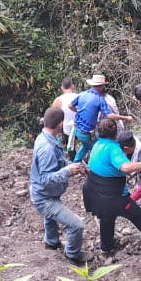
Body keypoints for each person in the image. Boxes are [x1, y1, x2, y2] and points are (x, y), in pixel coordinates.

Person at [82, 118, 141, 255]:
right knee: (135, 213)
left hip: (93, 192)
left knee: (106, 218)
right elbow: (126, 167)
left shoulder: (97, 145)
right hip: (113, 196)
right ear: (116, 133)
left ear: (98, 133)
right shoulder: (113, 149)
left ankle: (106, 247)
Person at [30, 106, 93, 264]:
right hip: (44, 198)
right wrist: (67, 171)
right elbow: (45, 178)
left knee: (51, 217)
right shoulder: (46, 148)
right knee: (77, 225)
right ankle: (73, 254)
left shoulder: (48, 137)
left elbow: (59, 161)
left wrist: (75, 166)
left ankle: (51, 242)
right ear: (60, 124)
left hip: (48, 194)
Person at [71, 74, 133, 163]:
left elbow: (70, 105)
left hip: (76, 129)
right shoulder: (100, 99)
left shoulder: (82, 94)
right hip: (86, 133)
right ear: (101, 86)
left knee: (85, 146)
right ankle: (98, 168)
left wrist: (78, 111)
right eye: (104, 85)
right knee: (99, 148)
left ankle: (75, 163)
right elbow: (110, 116)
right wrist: (126, 118)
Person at [52, 78, 79, 160]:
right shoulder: (79, 97)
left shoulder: (58, 101)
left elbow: (54, 116)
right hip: (82, 127)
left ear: (62, 88)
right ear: (73, 86)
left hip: (67, 129)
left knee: (70, 147)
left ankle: (74, 164)